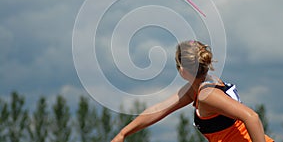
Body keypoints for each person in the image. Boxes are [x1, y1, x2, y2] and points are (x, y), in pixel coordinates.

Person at [111, 40, 274, 142]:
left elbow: (252, 117)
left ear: (182, 70)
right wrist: (123, 134)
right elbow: (158, 110)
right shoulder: (199, 89)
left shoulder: (206, 95)